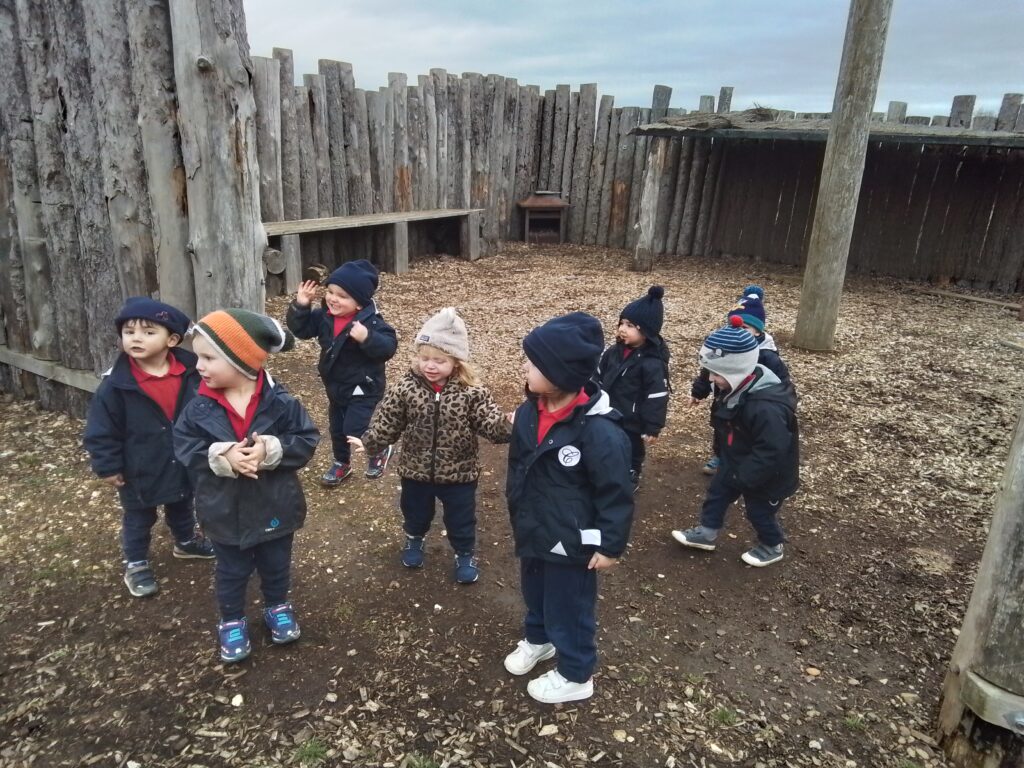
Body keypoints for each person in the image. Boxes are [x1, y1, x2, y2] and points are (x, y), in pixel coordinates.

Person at [174, 309, 320, 663]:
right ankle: (231, 620)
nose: (199, 366)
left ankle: (276, 605)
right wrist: (222, 456)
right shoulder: (198, 408)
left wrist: (271, 450)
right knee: (231, 569)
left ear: (242, 361)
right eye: (199, 357)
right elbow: (184, 445)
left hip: (275, 505)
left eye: (208, 358)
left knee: (276, 563)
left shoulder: (281, 403)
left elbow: (307, 438)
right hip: (224, 509)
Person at [503, 312, 634, 704]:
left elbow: (616, 492)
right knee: (535, 589)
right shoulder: (529, 412)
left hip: (574, 540)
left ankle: (576, 672)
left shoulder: (600, 432)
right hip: (535, 528)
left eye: (533, 362)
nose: (525, 366)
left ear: (559, 373)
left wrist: (609, 545)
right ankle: (538, 638)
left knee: (570, 606)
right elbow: (517, 466)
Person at [349, 308, 512, 583]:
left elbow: (489, 423)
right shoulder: (406, 388)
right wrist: (372, 442)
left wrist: (509, 426)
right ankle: (414, 539)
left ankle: (464, 553)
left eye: (439, 360)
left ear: (457, 362)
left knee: (461, 519)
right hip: (416, 470)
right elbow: (389, 419)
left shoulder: (472, 392)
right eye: (425, 358)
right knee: (415, 512)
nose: (430, 366)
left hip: (459, 473)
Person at [84, 297, 213, 598]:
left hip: (183, 457)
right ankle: (136, 561)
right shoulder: (116, 385)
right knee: (139, 516)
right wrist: (108, 465)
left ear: (172, 339)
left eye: (147, 332)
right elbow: (101, 430)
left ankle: (185, 542)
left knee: (183, 502)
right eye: (129, 332)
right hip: (139, 465)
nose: (136, 338)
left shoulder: (192, 371)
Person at [672, 324, 799, 567]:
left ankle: (772, 544)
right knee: (717, 493)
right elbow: (726, 427)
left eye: (717, 374)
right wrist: (722, 455)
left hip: (769, 474)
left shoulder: (766, 408)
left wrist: (746, 476)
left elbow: (773, 449)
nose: (711, 379)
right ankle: (707, 533)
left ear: (736, 371)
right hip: (735, 459)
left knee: (759, 511)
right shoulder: (733, 387)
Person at [286, 259, 397, 486]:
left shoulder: (371, 323)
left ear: (359, 304)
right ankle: (341, 463)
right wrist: (301, 305)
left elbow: (388, 347)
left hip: (364, 385)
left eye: (342, 296)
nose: (333, 299)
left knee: (354, 427)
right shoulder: (324, 317)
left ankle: (379, 450)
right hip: (336, 384)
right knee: (337, 429)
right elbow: (302, 330)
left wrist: (367, 338)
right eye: (330, 292)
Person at [691, 285, 790, 475]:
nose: (737, 331)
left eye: (745, 328)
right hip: (725, 399)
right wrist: (699, 391)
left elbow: (782, 383)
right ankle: (720, 456)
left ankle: (747, 460)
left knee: (747, 433)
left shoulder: (768, 356)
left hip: (753, 405)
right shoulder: (726, 346)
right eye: (733, 325)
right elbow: (709, 369)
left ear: (758, 332)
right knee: (721, 429)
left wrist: (781, 405)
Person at [596, 286, 670, 489]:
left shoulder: (652, 362)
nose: (622, 328)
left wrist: (653, 427)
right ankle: (606, 467)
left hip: (633, 418)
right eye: (621, 323)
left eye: (630, 325)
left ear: (646, 331)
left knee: (632, 446)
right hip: (608, 410)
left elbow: (657, 396)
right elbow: (599, 375)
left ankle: (632, 471)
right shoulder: (613, 352)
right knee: (606, 441)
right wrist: (592, 396)